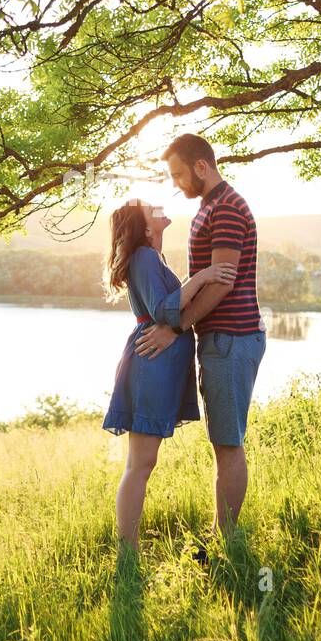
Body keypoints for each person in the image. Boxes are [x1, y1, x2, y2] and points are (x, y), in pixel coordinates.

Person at [136, 134, 265, 560]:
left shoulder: (226, 208)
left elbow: (223, 283)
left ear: (202, 167)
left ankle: (226, 546)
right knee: (222, 441)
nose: (176, 184)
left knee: (228, 443)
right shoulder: (210, 207)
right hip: (221, 339)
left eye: (178, 174)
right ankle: (221, 537)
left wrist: (178, 327)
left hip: (231, 339)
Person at [102, 198, 236, 552]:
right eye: (152, 209)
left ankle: (127, 548)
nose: (160, 208)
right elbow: (165, 310)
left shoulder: (151, 256)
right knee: (141, 463)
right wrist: (203, 276)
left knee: (144, 461)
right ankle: (127, 552)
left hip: (161, 362)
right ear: (145, 227)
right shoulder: (144, 256)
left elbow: (171, 307)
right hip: (152, 362)